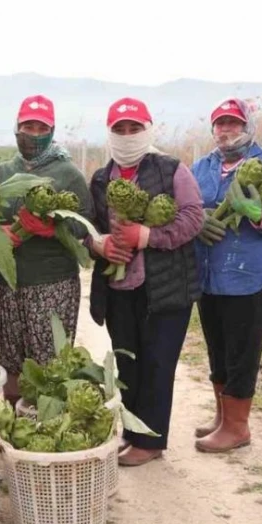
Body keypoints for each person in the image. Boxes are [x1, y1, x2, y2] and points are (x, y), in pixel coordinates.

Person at [86, 97, 203, 467]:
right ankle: (132, 431)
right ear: (109, 134)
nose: (127, 135)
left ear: (148, 129)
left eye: (134, 128)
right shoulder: (102, 178)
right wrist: (99, 245)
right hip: (120, 291)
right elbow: (88, 229)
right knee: (129, 364)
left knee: (157, 363)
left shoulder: (172, 170)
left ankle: (151, 440)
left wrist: (147, 236)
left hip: (164, 291)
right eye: (119, 129)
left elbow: (192, 219)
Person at [191, 98, 262, 453]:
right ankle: (223, 417)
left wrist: (260, 215)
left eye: (234, 123)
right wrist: (198, 223)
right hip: (209, 275)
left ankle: (238, 427)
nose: (226, 130)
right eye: (220, 123)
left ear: (247, 127)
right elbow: (187, 209)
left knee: (243, 351)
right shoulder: (202, 167)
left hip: (249, 275)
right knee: (218, 347)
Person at [0, 95, 92, 408]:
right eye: (27, 126)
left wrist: (53, 228)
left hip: (50, 283)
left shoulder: (68, 174)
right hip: (4, 280)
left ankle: (44, 424)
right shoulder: (2, 172)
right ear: (16, 129)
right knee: (9, 356)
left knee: (49, 361)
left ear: (52, 129)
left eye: (40, 127)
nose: (33, 133)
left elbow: (86, 224)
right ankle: (15, 419)